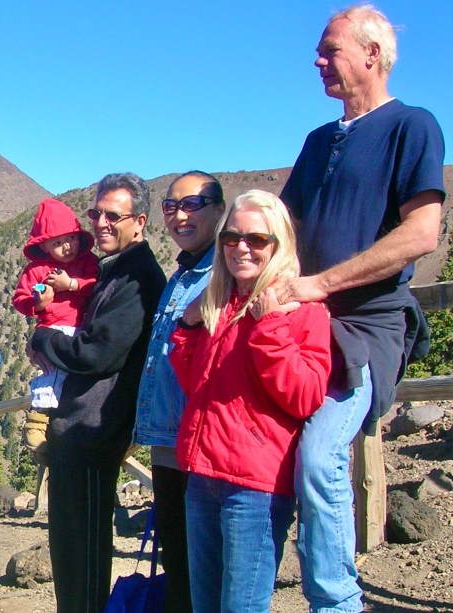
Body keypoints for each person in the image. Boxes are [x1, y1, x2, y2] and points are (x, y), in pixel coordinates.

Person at [276, 6, 446, 611]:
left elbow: (422, 233)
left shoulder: (412, 126)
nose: (317, 61)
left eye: (330, 50)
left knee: (320, 455)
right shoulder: (318, 141)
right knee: (260, 449)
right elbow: (286, 229)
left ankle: (338, 602)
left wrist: (321, 283)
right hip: (301, 325)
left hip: (368, 326)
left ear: (372, 54)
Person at [171, 190, 331, 612]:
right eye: (232, 237)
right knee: (204, 604)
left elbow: (305, 396)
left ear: (279, 244)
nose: (241, 247)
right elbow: (198, 386)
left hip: (255, 488)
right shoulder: (221, 307)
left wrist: (271, 325)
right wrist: (187, 330)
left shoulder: (303, 312)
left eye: (256, 239)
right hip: (203, 476)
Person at [30, 173, 165, 613]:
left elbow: (97, 353)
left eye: (113, 216)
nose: (101, 223)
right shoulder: (116, 270)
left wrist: (42, 339)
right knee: (71, 553)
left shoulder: (138, 277)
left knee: (81, 556)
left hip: (93, 433)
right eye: (95, 214)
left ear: (139, 222)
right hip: (81, 430)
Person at [132, 171, 227, 613]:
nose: (179, 216)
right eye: (171, 207)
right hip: (169, 439)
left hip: (201, 446)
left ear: (219, 209)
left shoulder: (223, 274)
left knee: (203, 568)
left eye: (192, 204)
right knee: (179, 563)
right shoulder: (182, 275)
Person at [13, 197, 99, 410]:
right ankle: (42, 412)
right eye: (57, 243)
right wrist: (38, 304)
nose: (67, 247)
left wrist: (71, 284)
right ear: (44, 247)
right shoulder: (36, 270)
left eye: (71, 238)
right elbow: (20, 299)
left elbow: (97, 285)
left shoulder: (89, 262)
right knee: (53, 373)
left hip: (84, 328)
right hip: (53, 328)